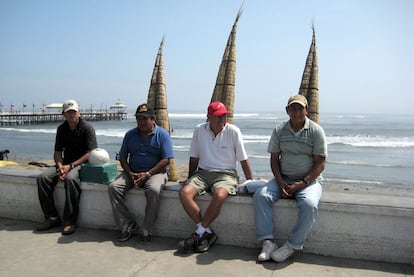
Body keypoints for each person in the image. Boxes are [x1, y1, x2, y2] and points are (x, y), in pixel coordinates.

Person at [254, 94, 327, 262]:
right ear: (287, 111)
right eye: (292, 108)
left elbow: (320, 164)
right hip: (284, 178)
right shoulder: (280, 130)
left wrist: (302, 183)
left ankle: (292, 245)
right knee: (261, 196)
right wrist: (280, 183)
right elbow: (274, 160)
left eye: (299, 108)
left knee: (309, 204)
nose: (296, 112)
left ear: (306, 110)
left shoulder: (316, 131)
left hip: (310, 181)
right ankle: (268, 241)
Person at [177, 101, 253, 253]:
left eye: (224, 116)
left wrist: (250, 181)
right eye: (218, 117)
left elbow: (243, 159)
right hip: (203, 172)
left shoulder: (233, 131)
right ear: (208, 117)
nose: (222, 120)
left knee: (219, 194)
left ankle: (199, 232)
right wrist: (190, 178)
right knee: (184, 193)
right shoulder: (199, 130)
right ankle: (206, 232)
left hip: (227, 174)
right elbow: (194, 157)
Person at [108, 103, 174, 244]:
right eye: (139, 118)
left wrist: (148, 174)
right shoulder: (130, 134)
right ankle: (126, 224)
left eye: (145, 118)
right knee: (114, 187)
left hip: (156, 173)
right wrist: (130, 173)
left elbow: (166, 159)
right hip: (132, 171)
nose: (142, 122)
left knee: (154, 190)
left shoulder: (162, 135)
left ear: (153, 119)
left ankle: (146, 229)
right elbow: (123, 157)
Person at [36, 99, 97, 235]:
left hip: (82, 163)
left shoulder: (87, 128)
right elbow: (58, 152)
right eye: (68, 113)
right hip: (65, 163)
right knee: (43, 178)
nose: (71, 115)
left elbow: (90, 153)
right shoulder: (62, 129)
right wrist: (59, 166)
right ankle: (51, 217)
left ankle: (70, 221)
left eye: (74, 112)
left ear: (79, 113)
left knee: (70, 179)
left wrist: (71, 166)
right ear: (63, 114)